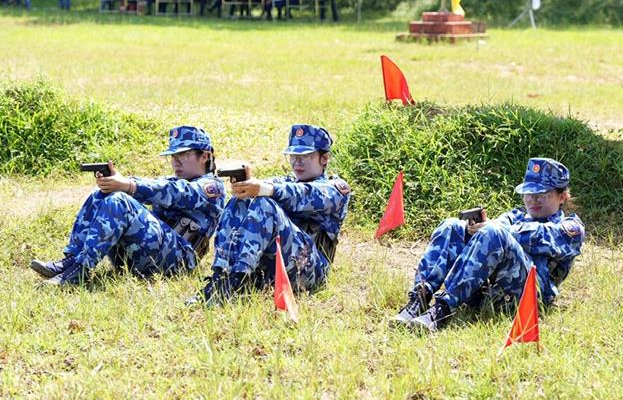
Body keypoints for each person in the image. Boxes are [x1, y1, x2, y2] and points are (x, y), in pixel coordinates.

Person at [391, 158, 585, 332]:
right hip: (489, 292)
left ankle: (443, 309)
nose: (533, 199)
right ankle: (420, 297)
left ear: (562, 197)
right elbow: (495, 229)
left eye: (542, 194)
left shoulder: (571, 228)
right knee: (452, 227)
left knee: (494, 233)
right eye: (529, 193)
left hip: (529, 299)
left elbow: (538, 236)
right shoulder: (515, 216)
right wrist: (474, 230)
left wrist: (492, 229)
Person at [30, 126, 225, 285]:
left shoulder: (212, 187)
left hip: (179, 260)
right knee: (102, 194)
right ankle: (72, 260)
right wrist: (118, 183)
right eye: (173, 156)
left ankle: (80, 271)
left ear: (205, 156)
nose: (176, 162)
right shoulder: (174, 180)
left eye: (183, 155)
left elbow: (176, 193)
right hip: (147, 255)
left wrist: (128, 185)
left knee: (119, 201)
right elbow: (152, 186)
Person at [188, 124, 351, 306]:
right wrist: (247, 184)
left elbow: (304, 195)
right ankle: (222, 276)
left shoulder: (336, 188)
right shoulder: (286, 181)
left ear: (324, 158)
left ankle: (238, 281)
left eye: (306, 157)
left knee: (264, 203)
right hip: (274, 266)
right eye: (293, 156)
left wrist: (266, 189)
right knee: (240, 200)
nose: (297, 162)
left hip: (309, 269)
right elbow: (267, 187)